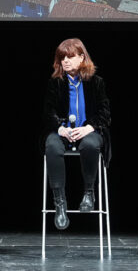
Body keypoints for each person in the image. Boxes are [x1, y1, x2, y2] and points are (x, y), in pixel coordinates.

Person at [43, 38, 111, 230]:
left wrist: (88, 128)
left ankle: (89, 193)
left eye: (70, 57)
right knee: (52, 145)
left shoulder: (96, 83)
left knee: (90, 144)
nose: (65, 61)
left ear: (81, 57)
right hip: (63, 132)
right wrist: (61, 128)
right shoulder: (55, 83)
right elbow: (48, 113)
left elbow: (104, 113)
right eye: (62, 57)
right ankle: (60, 204)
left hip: (89, 132)